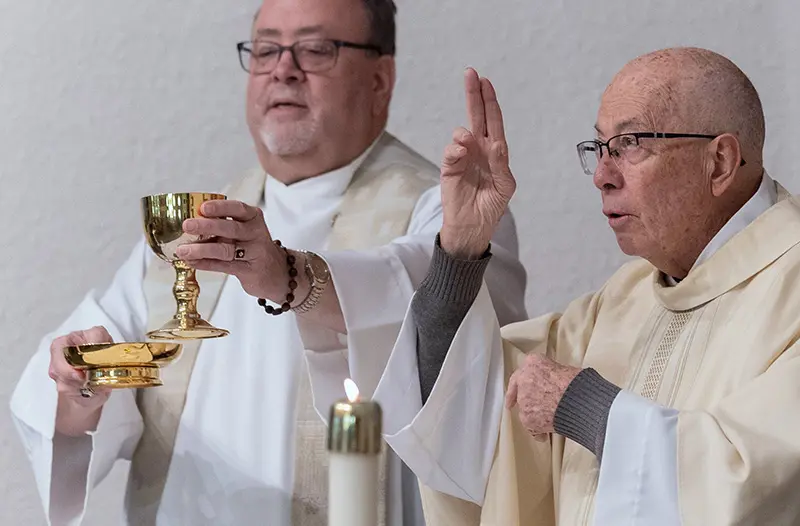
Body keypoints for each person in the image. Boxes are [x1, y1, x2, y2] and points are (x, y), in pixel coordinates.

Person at [9, 1, 527, 525]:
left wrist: (290, 276)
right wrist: (82, 387)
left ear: (379, 79)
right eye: (266, 49)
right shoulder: (192, 230)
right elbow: (84, 382)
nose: (283, 68)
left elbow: (432, 304)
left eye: (316, 48)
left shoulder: (456, 210)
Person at [373, 48, 800, 525]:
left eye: (630, 144)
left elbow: (769, 489)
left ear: (721, 161)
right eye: (599, 146)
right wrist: (462, 249)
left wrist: (582, 405)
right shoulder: (627, 296)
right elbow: (473, 417)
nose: (602, 174)